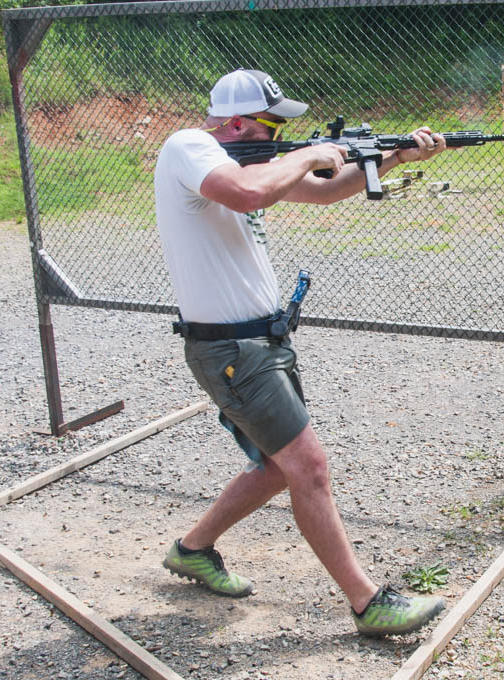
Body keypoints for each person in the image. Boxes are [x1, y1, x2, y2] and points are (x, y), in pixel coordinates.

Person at [153, 68, 447, 637]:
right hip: (233, 351)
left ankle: (193, 549)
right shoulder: (189, 148)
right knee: (308, 467)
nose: (278, 140)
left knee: (274, 469)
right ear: (235, 123)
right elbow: (249, 191)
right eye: (270, 129)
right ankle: (368, 603)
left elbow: (326, 189)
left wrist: (392, 159)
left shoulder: (246, 165)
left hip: (263, 342)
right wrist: (311, 151)